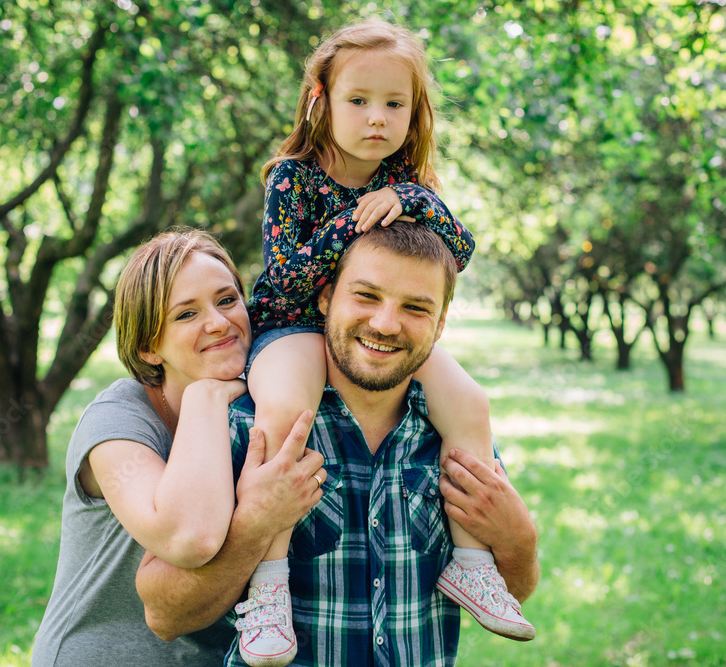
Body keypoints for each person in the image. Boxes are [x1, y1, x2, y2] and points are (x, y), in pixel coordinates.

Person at [239, 18, 533, 666]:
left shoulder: (404, 184)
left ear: (413, 111)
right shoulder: (293, 178)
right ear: (321, 98)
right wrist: (350, 224)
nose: (377, 118)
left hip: (382, 331)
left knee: (469, 402)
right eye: (360, 100)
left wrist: (408, 198)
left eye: (394, 104)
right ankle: (266, 590)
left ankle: (473, 562)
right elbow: (284, 278)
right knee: (287, 412)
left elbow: (460, 247)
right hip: (294, 325)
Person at [137, 222, 540, 667]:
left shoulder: (453, 431)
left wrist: (519, 540)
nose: (385, 324)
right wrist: (254, 526)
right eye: (366, 296)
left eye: (416, 307)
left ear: (441, 323)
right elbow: (164, 612)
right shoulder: (251, 427)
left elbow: (511, 591)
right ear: (325, 298)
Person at [31, 229, 326, 666]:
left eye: (227, 300)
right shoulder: (116, 422)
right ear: (149, 346)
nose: (218, 322)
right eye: (187, 314)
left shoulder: (261, 404)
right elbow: (191, 537)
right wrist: (205, 395)